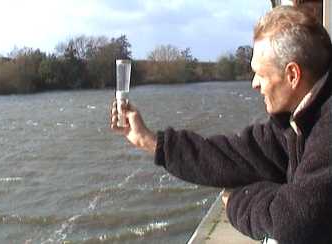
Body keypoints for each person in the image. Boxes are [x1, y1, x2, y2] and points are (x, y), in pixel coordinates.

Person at [110, 6, 332, 244]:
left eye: (260, 74)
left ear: (292, 75)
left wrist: (237, 199)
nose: (254, 84)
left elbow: (294, 222)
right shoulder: (297, 120)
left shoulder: (327, 128)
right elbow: (232, 154)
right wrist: (149, 140)